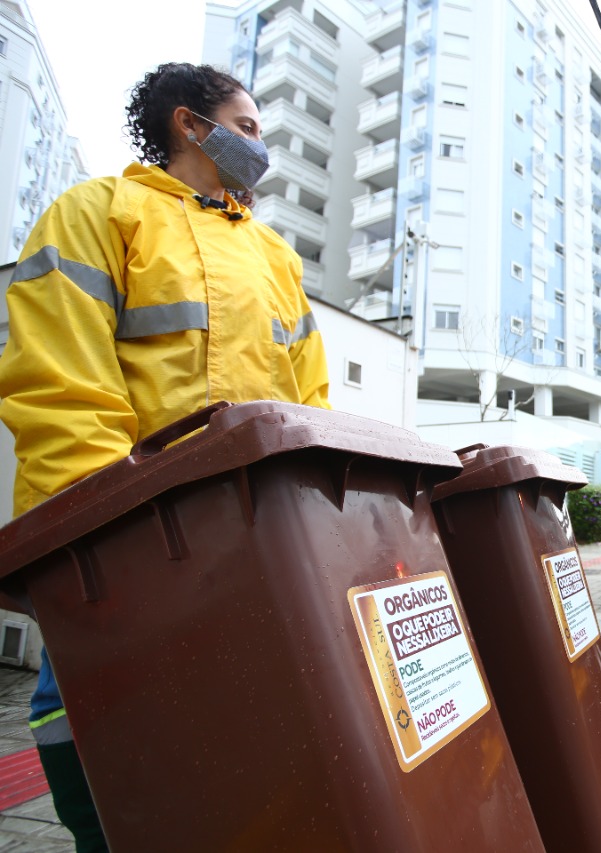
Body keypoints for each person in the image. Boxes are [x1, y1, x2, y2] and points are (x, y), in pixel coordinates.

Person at [0, 62, 330, 850]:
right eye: (248, 128)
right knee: (99, 733)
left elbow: (307, 405)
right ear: (191, 125)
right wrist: (98, 546)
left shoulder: (276, 260)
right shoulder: (99, 214)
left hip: (253, 545)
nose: (260, 148)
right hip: (131, 545)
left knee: (243, 747)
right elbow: (63, 386)